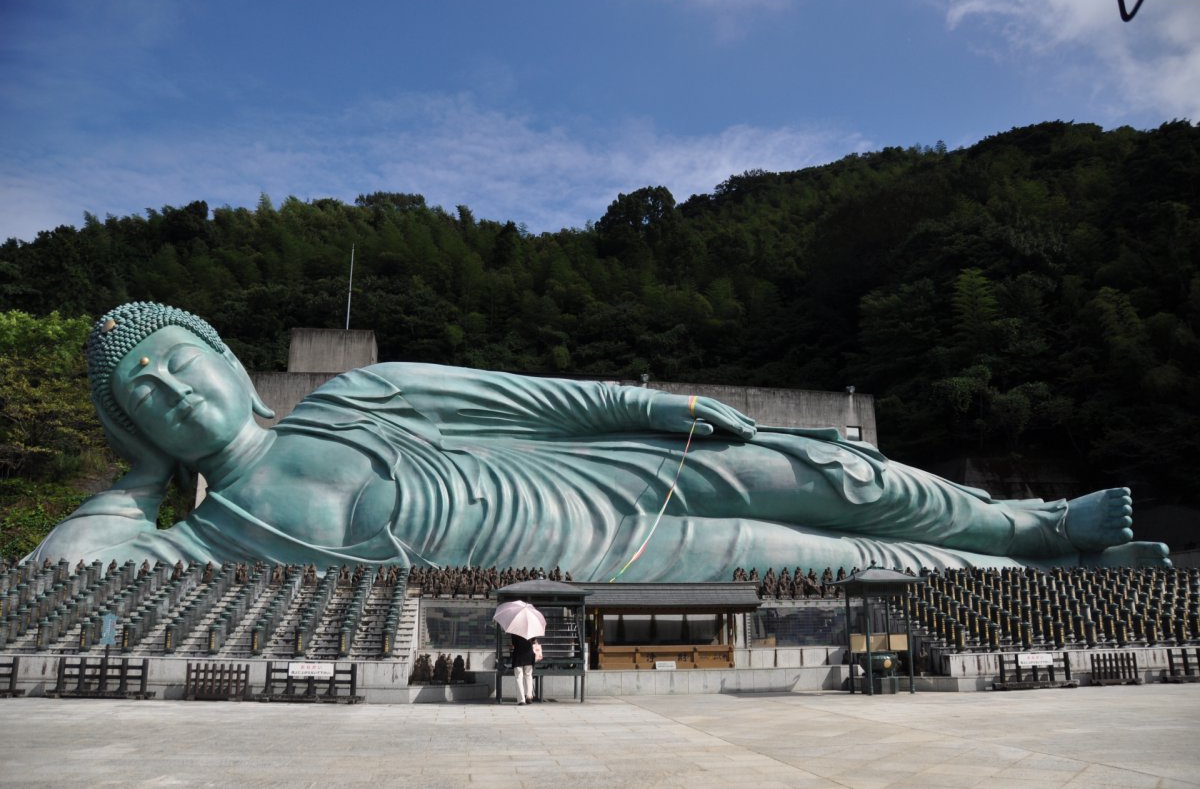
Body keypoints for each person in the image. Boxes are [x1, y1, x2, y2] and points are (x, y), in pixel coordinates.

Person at [25, 302, 1171, 578]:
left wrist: (659, 407)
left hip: (586, 472)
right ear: (134, 422)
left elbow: (535, 399)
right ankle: (1022, 564)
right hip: (600, 559)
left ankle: (1030, 519)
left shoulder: (357, 398)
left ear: (228, 358)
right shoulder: (209, 535)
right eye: (144, 393)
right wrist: (138, 481)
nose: (174, 389)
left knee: (812, 471)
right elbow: (55, 574)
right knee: (823, 560)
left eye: (182, 359)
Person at [510, 633, 538, 705]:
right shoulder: (530, 629)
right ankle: (529, 696)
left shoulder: (515, 630)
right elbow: (534, 641)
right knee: (528, 676)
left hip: (518, 655)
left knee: (519, 677)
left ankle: (521, 700)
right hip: (529, 655)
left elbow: (514, 643)